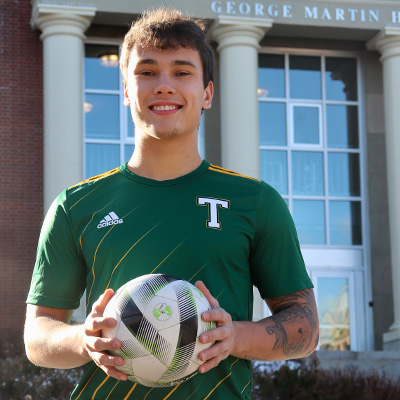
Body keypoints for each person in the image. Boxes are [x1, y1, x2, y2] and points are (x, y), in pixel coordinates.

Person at [24, 8, 319, 400]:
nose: (164, 86)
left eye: (182, 72)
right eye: (146, 72)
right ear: (127, 90)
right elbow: (37, 336)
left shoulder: (256, 202)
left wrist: (233, 337)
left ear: (207, 93)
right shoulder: (76, 206)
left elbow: (306, 327)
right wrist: (85, 341)